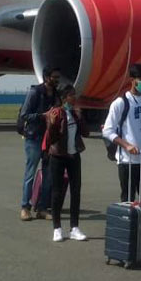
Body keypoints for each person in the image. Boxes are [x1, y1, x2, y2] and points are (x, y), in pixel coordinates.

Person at [102, 63, 141, 261]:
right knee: (129, 204)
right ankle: (126, 245)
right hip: (127, 162)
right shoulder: (121, 103)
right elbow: (108, 130)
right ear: (132, 80)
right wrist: (126, 145)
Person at [45, 85, 89, 242]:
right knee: (57, 192)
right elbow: (50, 138)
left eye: (75, 94)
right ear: (64, 98)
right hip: (58, 155)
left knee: (76, 191)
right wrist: (52, 123)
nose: (74, 97)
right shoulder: (56, 113)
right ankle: (57, 228)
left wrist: (80, 117)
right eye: (71, 95)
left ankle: (74, 228)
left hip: (74, 155)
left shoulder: (75, 113)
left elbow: (86, 133)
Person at [19, 66, 60, 221]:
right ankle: (25, 207)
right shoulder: (35, 92)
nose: (57, 80)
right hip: (34, 138)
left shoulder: (56, 94)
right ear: (46, 77)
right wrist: (43, 116)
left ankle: (42, 208)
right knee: (30, 173)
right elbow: (24, 115)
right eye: (55, 77)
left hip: (49, 139)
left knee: (48, 175)